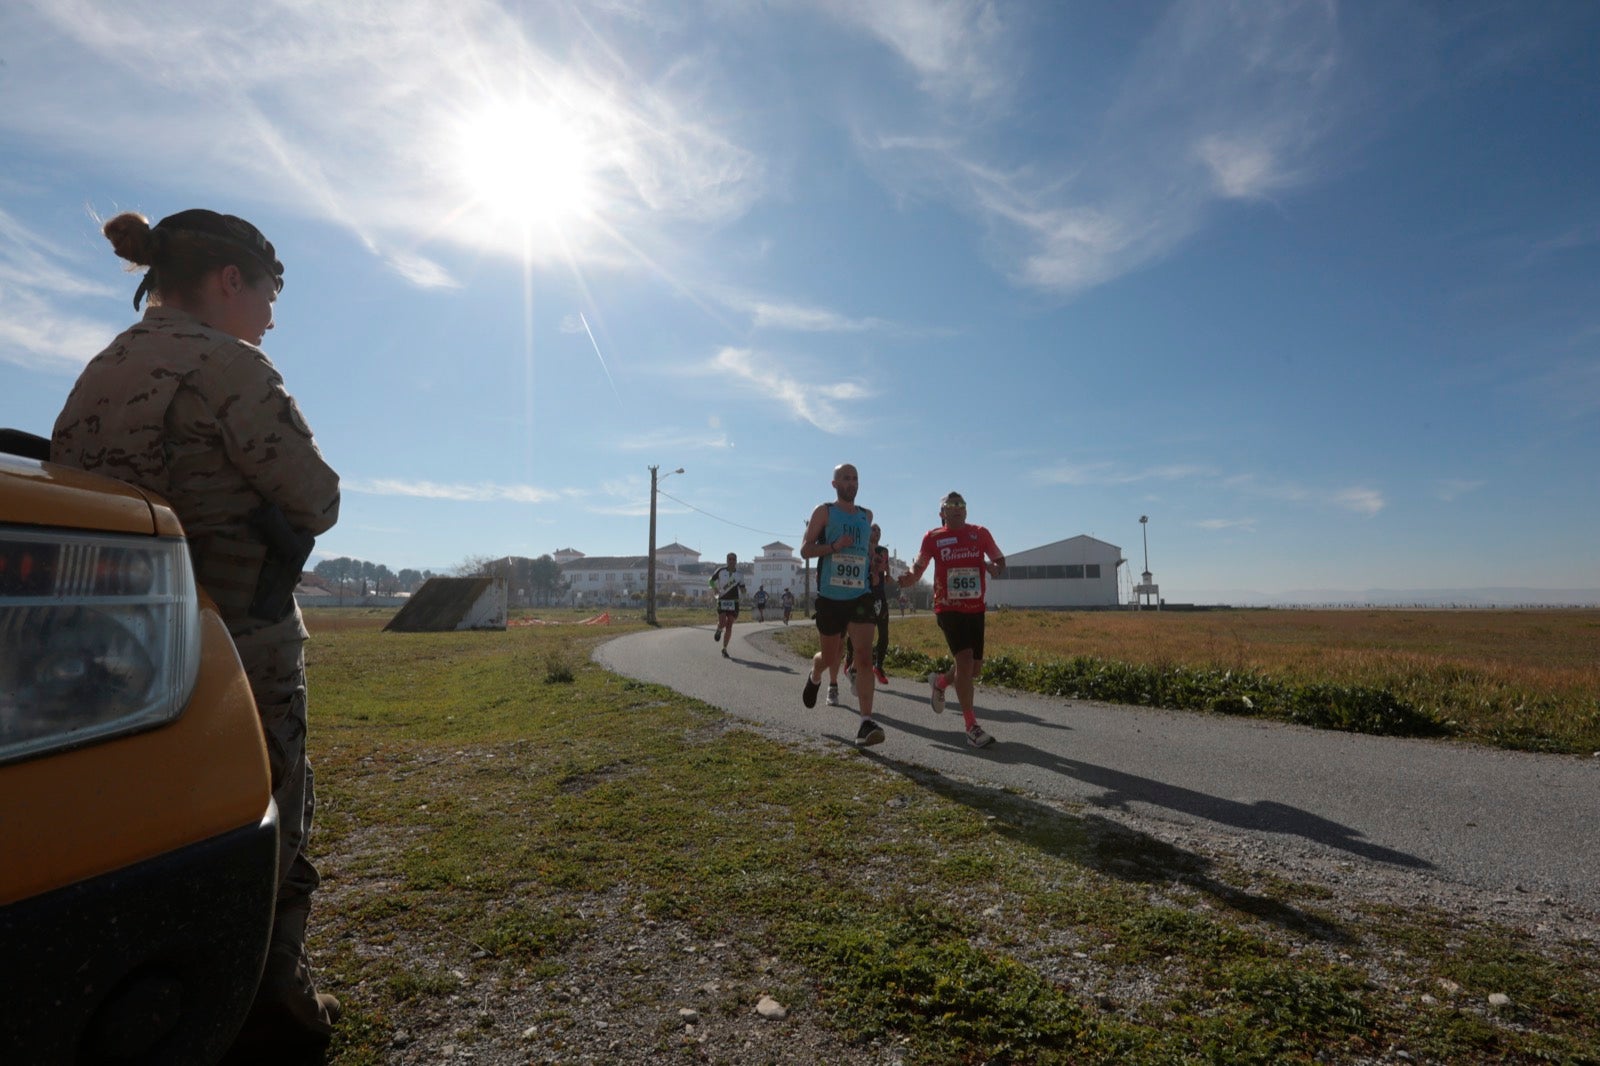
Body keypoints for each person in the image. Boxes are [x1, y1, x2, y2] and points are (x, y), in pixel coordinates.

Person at [50, 208, 343, 1048]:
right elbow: (317, 498)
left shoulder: (101, 369)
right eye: (270, 294)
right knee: (271, 806)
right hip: (236, 645)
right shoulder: (231, 365)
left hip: (110, 653)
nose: (272, 315)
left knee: (146, 824)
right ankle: (273, 1001)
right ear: (229, 280)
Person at [898, 491, 1005, 748]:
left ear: (966, 510)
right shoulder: (933, 537)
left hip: (975, 608)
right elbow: (919, 565)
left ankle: (940, 682)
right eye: (951, 504)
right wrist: (910, 577)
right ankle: (971, 727)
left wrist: (995, 568)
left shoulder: (980, 533)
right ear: (942, 512)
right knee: (965, 661)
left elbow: (999, 559)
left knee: (972, 669)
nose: (957, 508)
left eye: (961, 504)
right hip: (948, 607)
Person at [798, 464, 884, 746]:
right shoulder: (824, 512)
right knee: (830, 657)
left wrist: (873, 566)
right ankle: (816, 673)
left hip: (860, 595)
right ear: (834, 484)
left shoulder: (866, 515)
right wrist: (834, 547)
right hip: (831, 597)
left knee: (864, 656)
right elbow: (805, 549)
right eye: (846, 478)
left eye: (855, 478)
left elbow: (866, 549)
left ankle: (865, 722)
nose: (852, 483)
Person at [844, 526, 891, 686]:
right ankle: (850, 658)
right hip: (864, 595)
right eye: (874, 530)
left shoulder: (883, 551)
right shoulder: (862, 548)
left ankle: (878, 666)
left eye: (879, 531)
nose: (877, 533)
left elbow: (887, 570)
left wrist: (889, 576)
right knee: (858, 632)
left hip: (880, 596)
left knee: (884, 633)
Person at [708, 552, 744, 658]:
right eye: (730, 559)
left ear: (736, 561)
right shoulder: (720, 571)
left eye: (733, 559)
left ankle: (724, 648)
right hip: (723, 600)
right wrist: (715, 588)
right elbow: (711, 581)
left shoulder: (739, 574)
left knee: (729, 625)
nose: (731, 561)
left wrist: (744, 591)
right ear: (727, 560)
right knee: (723, 622)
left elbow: (742, 587)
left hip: (734, 601)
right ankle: (719, 629)